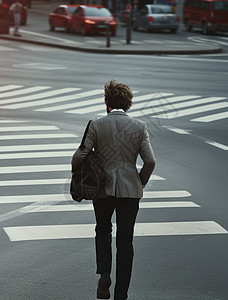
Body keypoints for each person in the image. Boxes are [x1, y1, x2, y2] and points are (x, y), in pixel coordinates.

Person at [72, 80, 156, 300]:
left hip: (102, 191)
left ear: (107, 101)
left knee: (103, 230)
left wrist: (77, 173)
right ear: (128, 103)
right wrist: (140, 181)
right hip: (130, 191)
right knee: (126, 240)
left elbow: (80, 156)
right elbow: (150, 161)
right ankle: (121, 293)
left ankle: (105, 275)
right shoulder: (140, 127)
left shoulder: (96, 125)